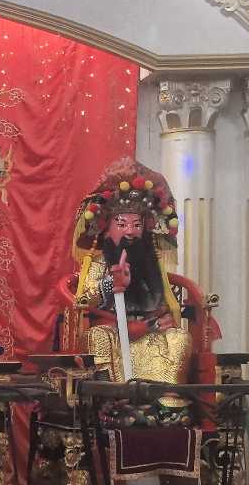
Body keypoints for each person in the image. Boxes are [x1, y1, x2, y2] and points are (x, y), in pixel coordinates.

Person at [71, 159, 192, 421]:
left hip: (148, 328)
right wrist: (110, 283)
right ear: (107, 228)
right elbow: (85, 298)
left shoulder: (151, 262)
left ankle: (165, 405)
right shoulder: (100, 261)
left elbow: (161, 301)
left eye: (136, 225)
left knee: (179, 338)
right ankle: (113, 401)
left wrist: (156, 321)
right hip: (113, 329)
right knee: (97, 337)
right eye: (122, 224)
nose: (130, 231)